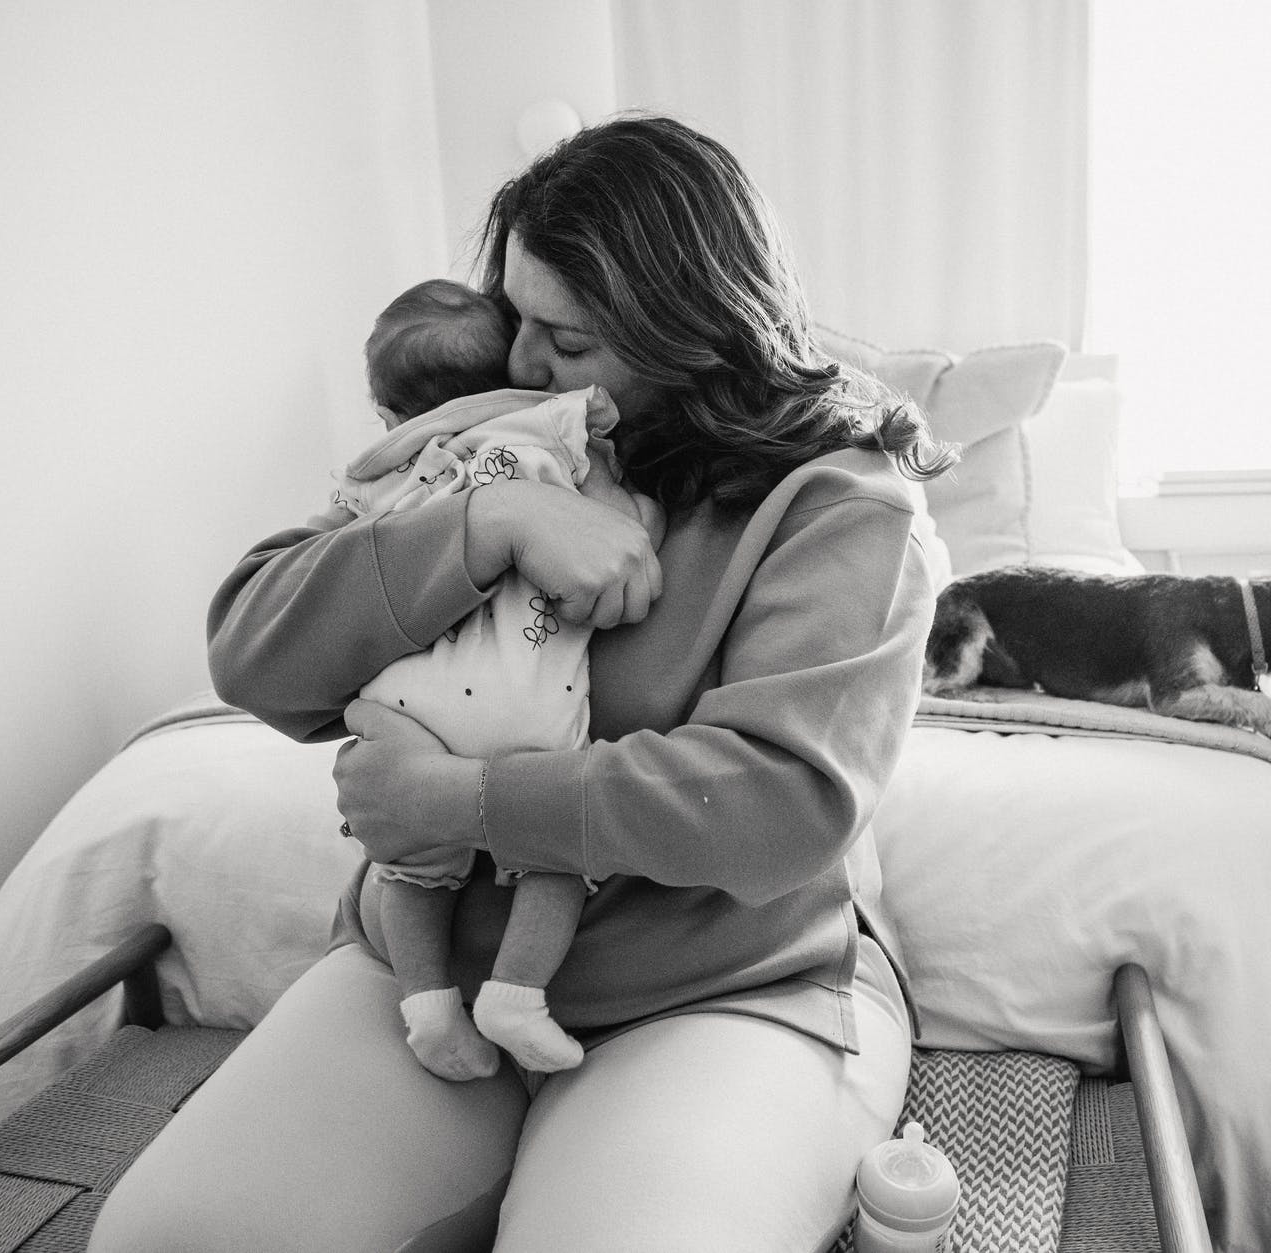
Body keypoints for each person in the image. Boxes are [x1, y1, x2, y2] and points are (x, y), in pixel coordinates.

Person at [90, 112, 953, 1252]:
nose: (523, 363)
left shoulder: (840, 502)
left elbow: (781, 804)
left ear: (692, 333)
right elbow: (253, 652)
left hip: (726, 982)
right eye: (518, 321)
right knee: (167, 1239)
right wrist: (486, 522)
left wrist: (467, 807)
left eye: (568, 339)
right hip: (434, 967)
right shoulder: (490, 446)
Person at [338, 278, 666, 1081]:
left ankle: (428, 1005)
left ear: (386, 411)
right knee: (555, 840)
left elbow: (341, 565)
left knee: (409, 862)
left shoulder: (378, 466)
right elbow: (624, 533)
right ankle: (517, 995)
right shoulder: (548, 424)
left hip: (412, 695)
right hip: (523, 689)